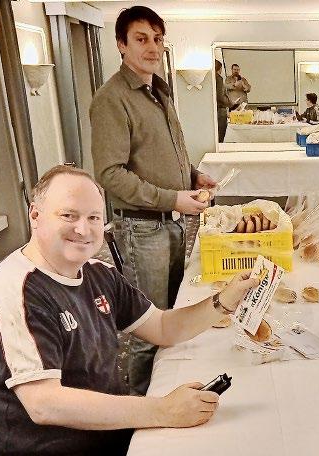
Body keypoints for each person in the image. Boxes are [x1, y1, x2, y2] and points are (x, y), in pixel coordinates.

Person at [0, 165, 258, 455]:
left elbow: (162, 328)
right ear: (35, 215)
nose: (83, 229)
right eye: (68, 215)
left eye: (93, 217)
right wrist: (163, 410)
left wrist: (225, 301)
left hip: (109, 433)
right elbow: (44, 403)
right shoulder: (14, 287)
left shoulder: (98, 273)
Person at [89, 6, 217, 395]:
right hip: (141, 229)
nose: (152, 47)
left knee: (173, 315)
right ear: (121, 44)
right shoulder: (112, 99)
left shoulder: (159, 91)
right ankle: (143, 410)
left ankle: (169, 394)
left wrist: (192, 175)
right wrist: (173, 198)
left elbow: (164, 152)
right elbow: (110, 174)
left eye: (158, 39)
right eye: (141, 39)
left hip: (170, 223)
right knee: (148, 328)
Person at [215, 59, 232, 143]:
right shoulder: (219, 78)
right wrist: (230, 103)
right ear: (220, 68)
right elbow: (220, 96)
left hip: (214, 109)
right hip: (220, 110)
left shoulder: (210, 78)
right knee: (221, 134)